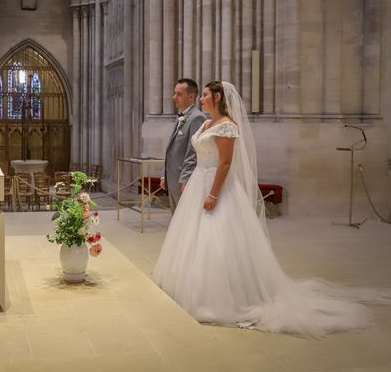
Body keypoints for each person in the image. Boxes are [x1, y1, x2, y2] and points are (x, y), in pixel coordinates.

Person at [153, 81, 390, 336]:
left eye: (206, 95)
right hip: (199, 181)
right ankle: (188, 285)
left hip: (215, 187)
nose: (201, 99)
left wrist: (213, 194)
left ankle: (221, 297)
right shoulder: (205, 124)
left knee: (218, 240)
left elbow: (224, 165)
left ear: (218, 97)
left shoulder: (227, 126)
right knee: (192, 239)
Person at [161, 79, 206, 212]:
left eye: (179, 94)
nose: (174, 97)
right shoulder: (181, 116)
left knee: (184, 221)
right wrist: (164, 175)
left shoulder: (197, 118)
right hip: (173, 179)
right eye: (174, 93)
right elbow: (172, 149)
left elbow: (193, 152)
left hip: (183, 180)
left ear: (191, 96)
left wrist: (185, 179)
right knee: (176, 221)